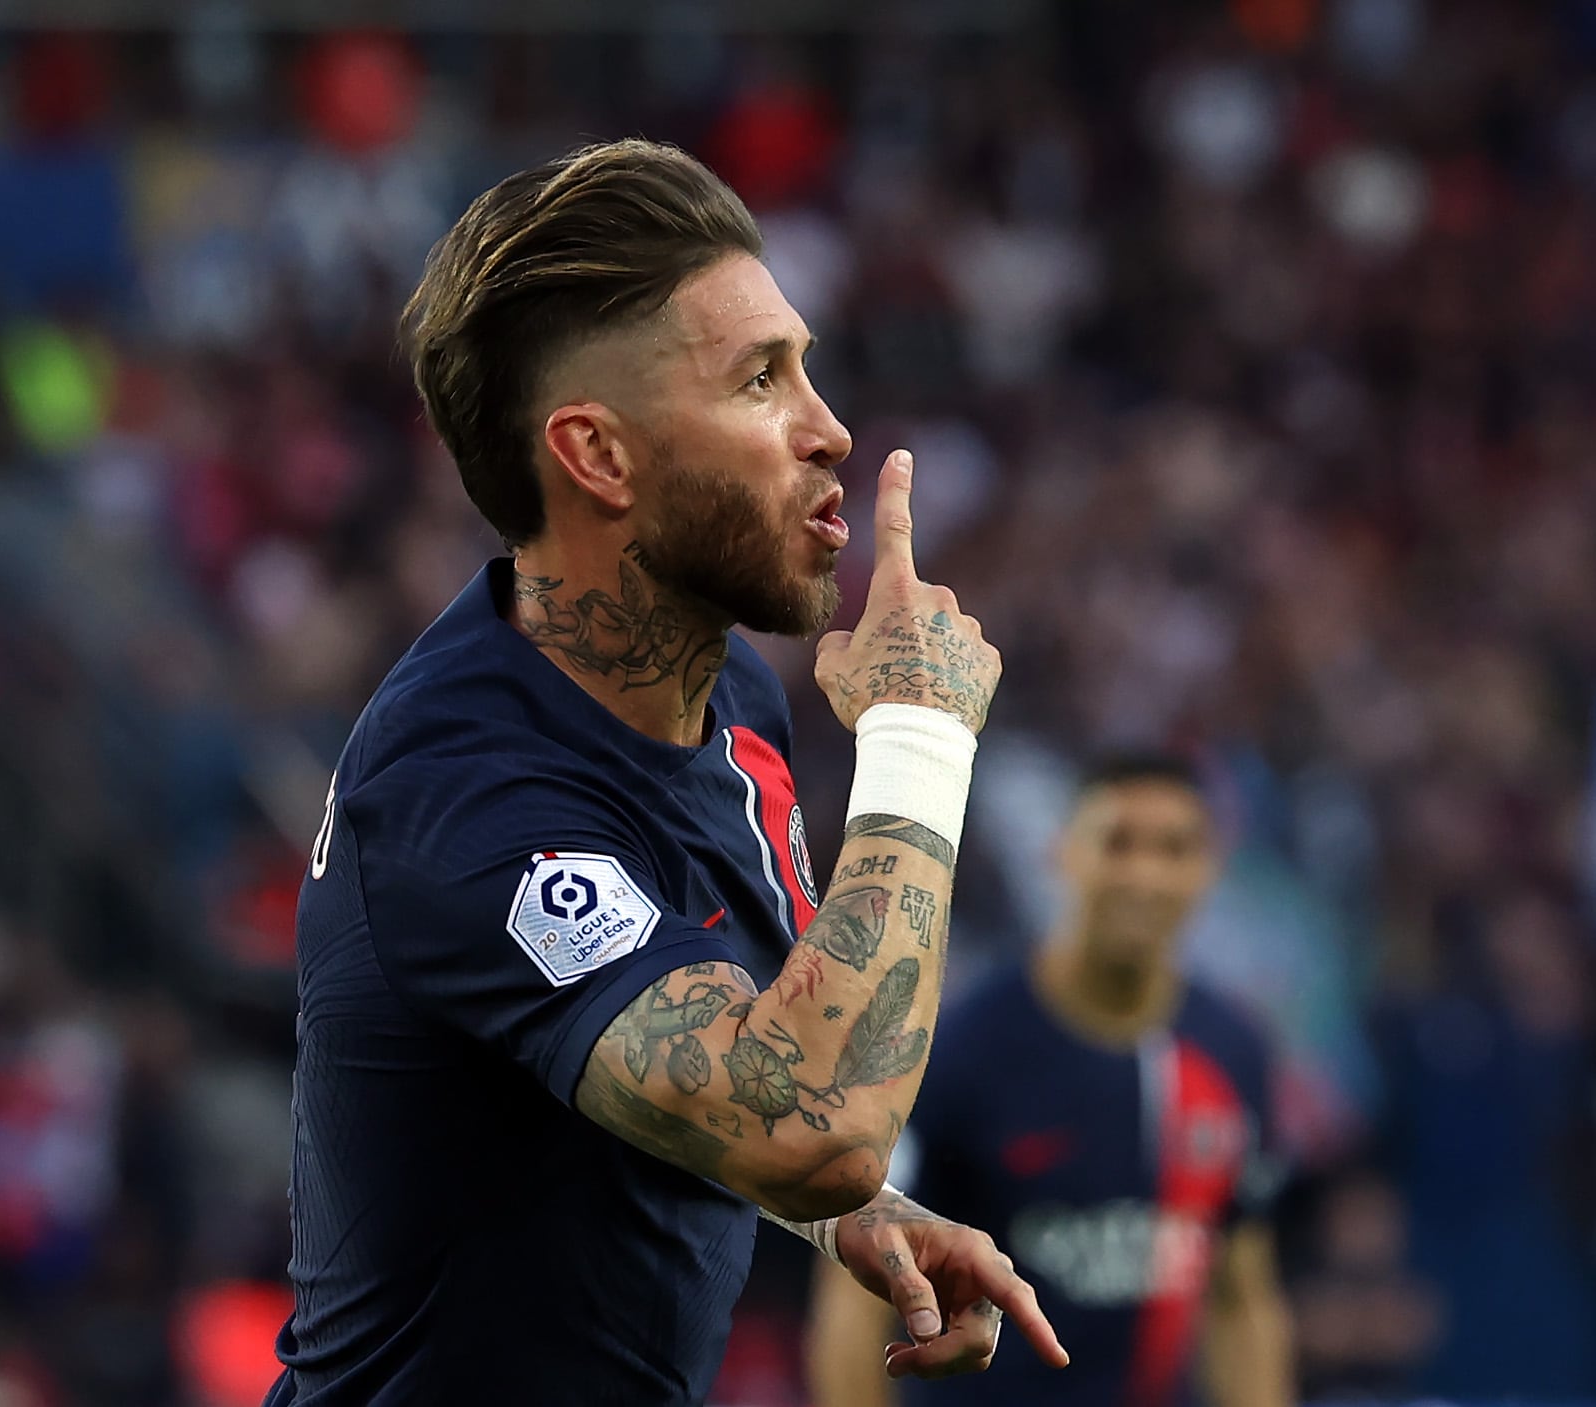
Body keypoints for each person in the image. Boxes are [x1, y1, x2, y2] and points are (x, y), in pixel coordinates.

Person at [263, 139, 1067, 1407]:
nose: (829, 430)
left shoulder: (727, 694)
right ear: (597, 455)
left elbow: (728, 1063)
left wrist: (845, 1218)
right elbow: (812, 1121)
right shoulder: (461, 798)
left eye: (805, 367)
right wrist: (918, 739)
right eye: (760, 381)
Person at [807, 754, 1293, 1407]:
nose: (1145, 874)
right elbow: (855, 1299)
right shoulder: (957, 1050)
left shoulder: (1232, 1053)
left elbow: (1242, 1299)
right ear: (1061, 852)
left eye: (1174, 848)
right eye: (1118, 842)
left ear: (1209, 868)